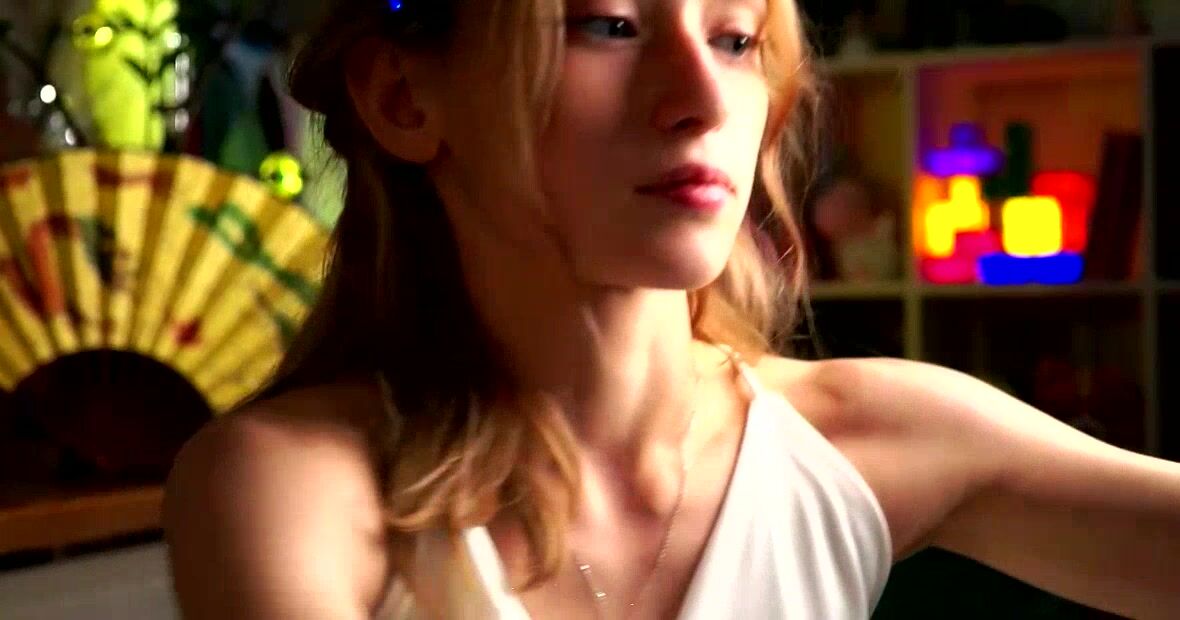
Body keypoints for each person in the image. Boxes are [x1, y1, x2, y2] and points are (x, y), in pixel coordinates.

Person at [162, 0, 1180, 618]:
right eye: (608, 26)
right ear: (402, 97)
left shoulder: (866, 437)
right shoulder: (295, 488)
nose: (701, 97)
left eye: (735, 39)